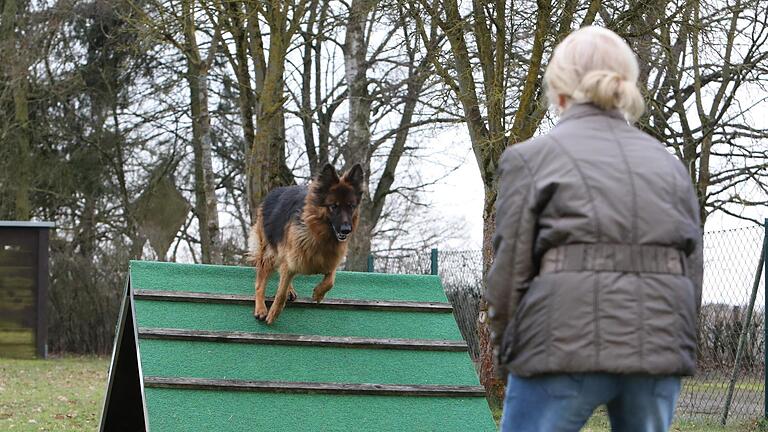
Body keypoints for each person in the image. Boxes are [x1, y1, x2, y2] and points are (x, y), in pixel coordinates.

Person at [485, 26, 703, 432]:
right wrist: (674, 344)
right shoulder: (670, 166)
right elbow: (691, 274)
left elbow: (509, 274)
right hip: (656, 344)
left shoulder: (532, 159)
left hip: (559, 343)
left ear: (559, 85)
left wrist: (507, 351)